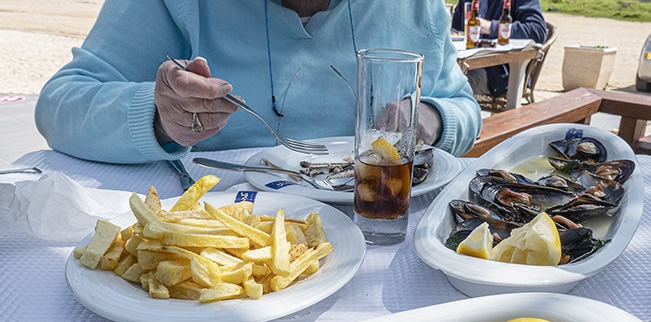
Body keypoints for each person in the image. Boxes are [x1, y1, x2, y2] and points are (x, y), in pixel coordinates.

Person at [35, 0, 482, 165]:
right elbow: (61, 105)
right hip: (217, 244)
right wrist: (159, 118)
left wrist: (431, 119)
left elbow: (462, 106)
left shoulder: (417, 7)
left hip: (381, 235)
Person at [452, 0, 547, 97]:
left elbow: (537, 30)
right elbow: (456, 30)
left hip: (499, 73)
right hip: (462, 64)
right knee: (440, 79)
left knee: (450, 85)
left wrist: (491, 27)